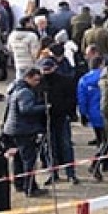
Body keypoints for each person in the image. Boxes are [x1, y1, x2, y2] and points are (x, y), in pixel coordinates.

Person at [2, 67, 47, 197]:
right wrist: (44, 107)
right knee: (29, 160)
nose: (37, 82)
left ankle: (19, 184)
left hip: (12, 129)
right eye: (35, 80)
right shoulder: (26, 92)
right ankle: (30, 187)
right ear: (28, 77)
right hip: (24, 130)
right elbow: (26, 109)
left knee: (18, 159)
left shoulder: (14, 88)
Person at [39, 56, 80, 185]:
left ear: (55, 67)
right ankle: (53, 173)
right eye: (44, 69)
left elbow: (72, 99)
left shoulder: (65, 81)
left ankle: (70, 173)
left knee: (65, 146)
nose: (46, 71)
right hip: (46, 120)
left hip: (62, 118)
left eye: (49, 68)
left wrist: (68, 112)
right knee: (50, 148)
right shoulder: (39, 83)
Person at [78, 56, 107, 179]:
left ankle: (105, 162)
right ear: (101, 64)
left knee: (100, 139)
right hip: (104, 113)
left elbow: (81, 99)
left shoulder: (83, 80)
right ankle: (95, 164)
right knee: (107, 142)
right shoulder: (105, 77)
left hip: (93, 114)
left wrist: (83, 114)